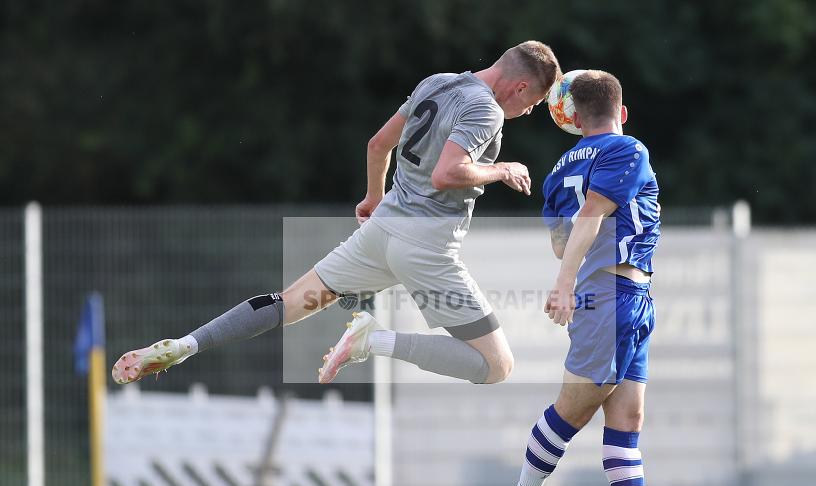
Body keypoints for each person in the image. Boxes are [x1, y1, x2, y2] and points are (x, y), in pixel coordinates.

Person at [112, 41, 560, 387]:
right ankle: (373, 339)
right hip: (426, 246)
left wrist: (372, 198)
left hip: (383, 231)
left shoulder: (438, 82)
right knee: (497, 365)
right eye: (533, 104)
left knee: (289, 303)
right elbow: (447, 173)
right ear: (520, 88)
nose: (526, 112)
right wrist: (500, 169)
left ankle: (187, 345)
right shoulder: (486, 110)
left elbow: (377, 145)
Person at [497, 70, 695, 486]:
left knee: (627, 417)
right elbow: (590, 216)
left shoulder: (559, 168)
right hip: (610, 295)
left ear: (572, 118)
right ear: (621, 113)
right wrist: (565, 285)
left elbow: (562, 239)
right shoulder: (627, 149)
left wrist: (572, 275)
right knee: (575, 409)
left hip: (626, 296)